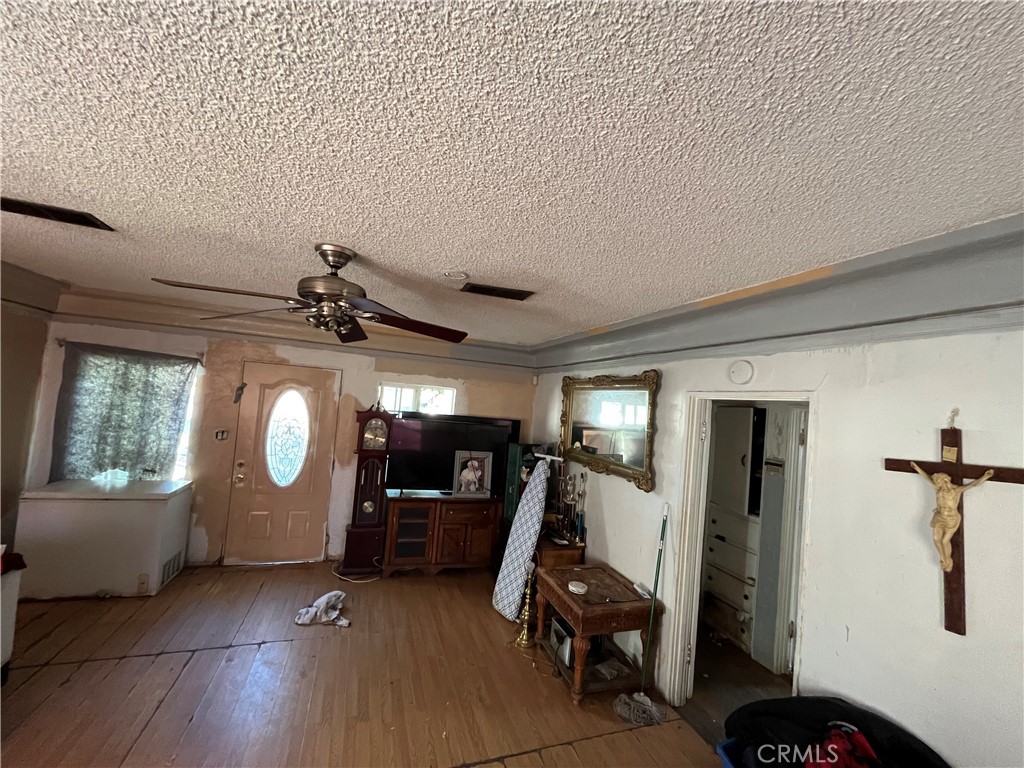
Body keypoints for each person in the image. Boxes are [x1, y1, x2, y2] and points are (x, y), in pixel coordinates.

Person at [910, 462, 994, 572]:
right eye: (937, 483)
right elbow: (927, 478)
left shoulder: (955, 491)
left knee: (945, 541)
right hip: (939, 516)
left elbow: (973, 485)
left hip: (951, 518)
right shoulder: (938, 489)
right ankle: (942, 557)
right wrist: (917, 468)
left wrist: (985, 476)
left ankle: (948, 559)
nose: (937, 485)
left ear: (944, 481)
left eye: (939, 483)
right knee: (936, 539)